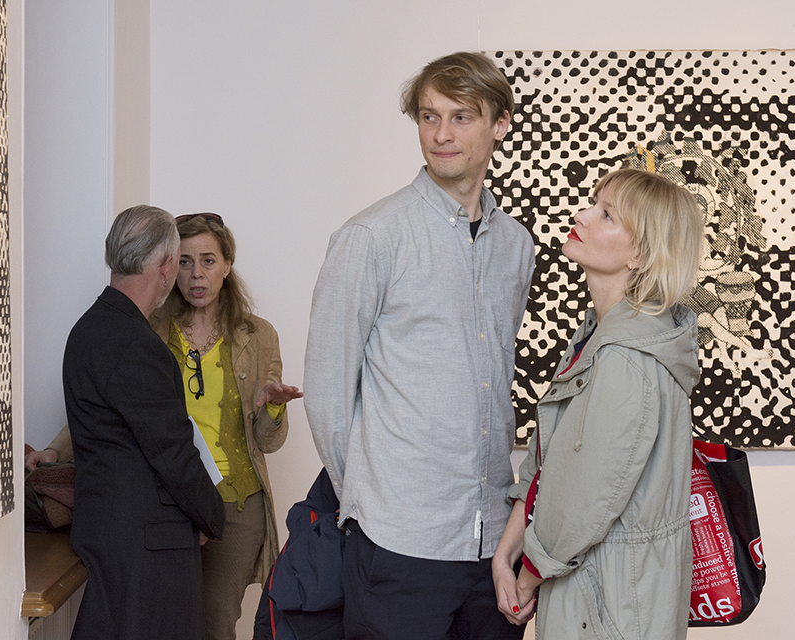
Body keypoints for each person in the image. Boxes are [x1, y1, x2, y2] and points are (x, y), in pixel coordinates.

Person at [304, 51, 535, 640]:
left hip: (491, 541)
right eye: (429, 117)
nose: (441, 135)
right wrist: (368, 501)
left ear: (500, 123)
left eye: (461, 117)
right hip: (398, 540)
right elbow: (328, 391)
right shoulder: (371, 237)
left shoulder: (516, 245)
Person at [30, 212, 301, 640]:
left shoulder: (256, 335)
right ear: (169, 266)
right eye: (186, 261)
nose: (196, 273)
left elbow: (263, 441)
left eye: (208, 261)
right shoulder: (146, 332)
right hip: (173, 509)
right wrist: (55, 451)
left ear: (227, 266)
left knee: (211, 623)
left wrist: (272, 410)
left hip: (224, 505)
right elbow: (141, 429)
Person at [492, 169, 704, 639]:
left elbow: (584, 499)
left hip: (610, 603)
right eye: (593, 203)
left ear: (640, 253)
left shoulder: (625, 357)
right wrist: (506, 552)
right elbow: (553, 463)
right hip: (599, 592)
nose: (582, 215)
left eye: (606, 214)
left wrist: (526, 578)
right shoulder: (599, 335)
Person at [62, 205, 226, 640]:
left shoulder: (87, 329)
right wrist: (212, 515)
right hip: (147, 549)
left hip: (110, 531)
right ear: (167, 266)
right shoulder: (136, 344)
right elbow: (173, 453)